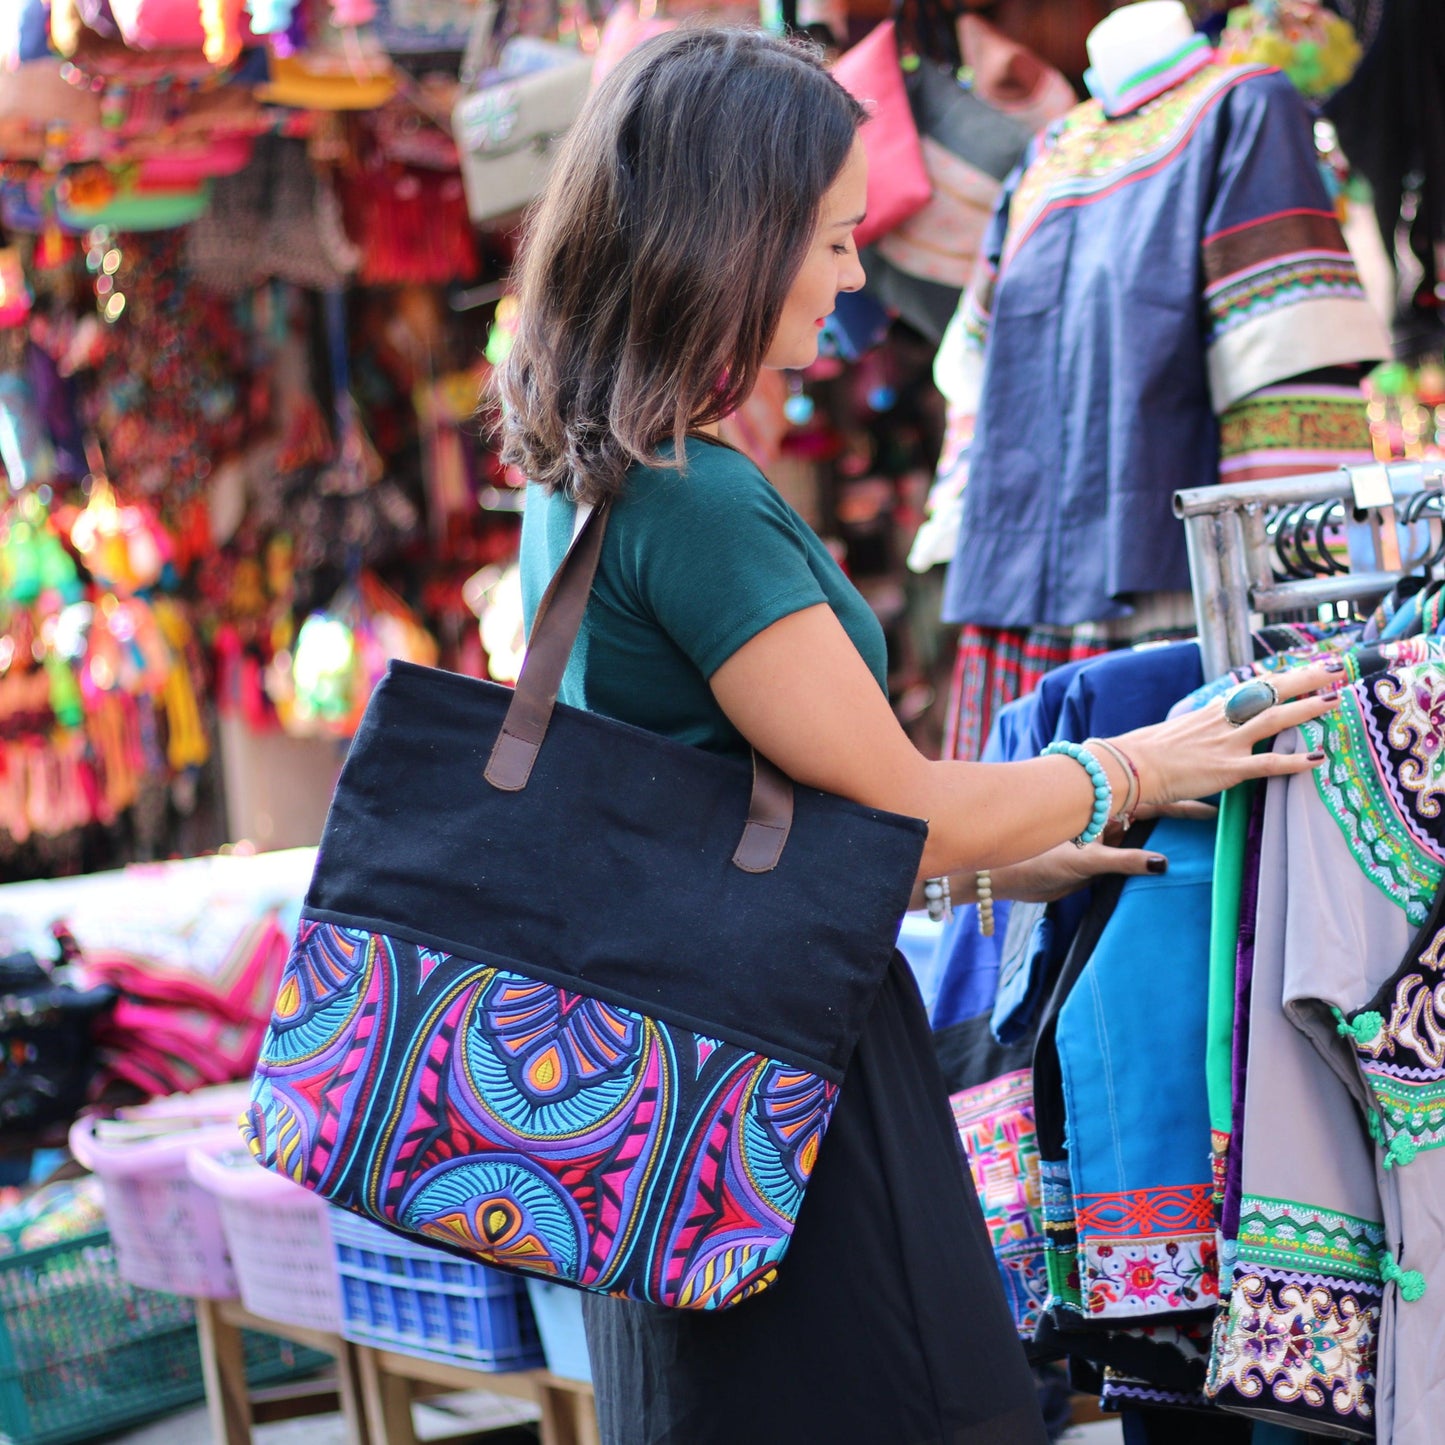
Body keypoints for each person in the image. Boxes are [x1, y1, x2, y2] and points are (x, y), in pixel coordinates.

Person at [500, 26, 1340, 1445]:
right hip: (789, 1097)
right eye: (831, 242)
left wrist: (1009, 857)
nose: (848, 280)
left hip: (680, 1096)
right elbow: (902, 804)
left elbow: (734, 809)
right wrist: (1141, 766)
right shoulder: (689, 498)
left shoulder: (582, 480)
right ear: (735, 237)